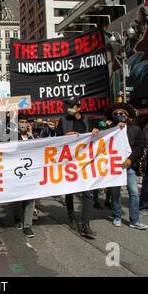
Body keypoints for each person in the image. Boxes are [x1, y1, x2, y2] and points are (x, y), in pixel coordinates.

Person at [56, 97, 99, 238]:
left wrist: (96, 131)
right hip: (69, 162)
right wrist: (64, 136)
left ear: (79, 108)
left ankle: (85, 224)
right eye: (68, 106)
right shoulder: (63, 121)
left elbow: (99, 134)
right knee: (70, 191)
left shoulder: (87, 120)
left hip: (85, 162)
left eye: (71, 106)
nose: (68, 108)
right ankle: (71, 218)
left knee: (87, 194)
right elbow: (55, 140)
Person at [104, 103, 148, 230]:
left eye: (121, 113)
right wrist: (97, 131)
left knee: (134, 193)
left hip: (129, 166)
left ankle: (135, 220)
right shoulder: (109, 130)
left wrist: (130, 159)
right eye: (116, 114)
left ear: (127, 116)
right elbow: (100, 142)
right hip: (114, 166)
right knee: (115, 193)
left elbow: (140, 147)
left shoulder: (135, 129)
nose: (119, 115)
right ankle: (117, 216)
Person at [12, 115, 36, 238]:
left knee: (30, 199)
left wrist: (31, 135)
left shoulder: (33, 137)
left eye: (26, 122)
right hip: (17, 172)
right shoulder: (13, 138)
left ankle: (27, 226)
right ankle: (17, 218)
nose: (24, 124)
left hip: (30, 173)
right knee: (17, 198)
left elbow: (37, 149)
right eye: (21, 122)